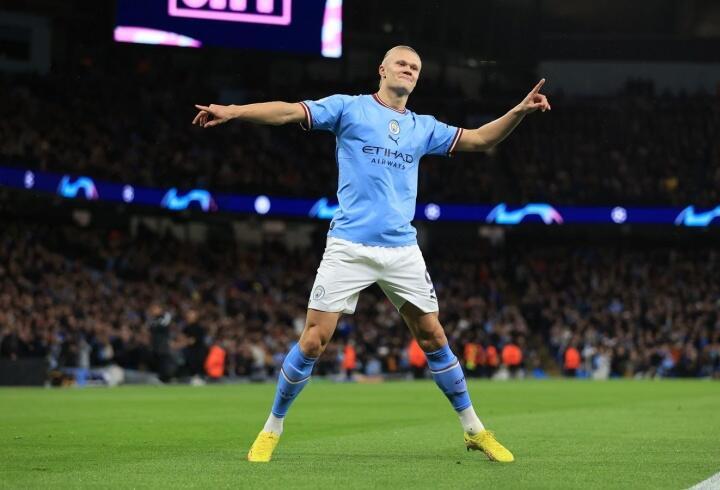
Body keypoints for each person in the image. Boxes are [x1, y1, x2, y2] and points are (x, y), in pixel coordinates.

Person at [192, 45, 550, 463]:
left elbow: (481, 139)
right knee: (313, 341)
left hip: (402, 249)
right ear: (382, 69)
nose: (408, 70)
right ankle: (272, 428)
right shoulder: (349, 108)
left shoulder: (423, 127)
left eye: (415, 67)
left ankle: (474, 430)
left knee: (434, 337)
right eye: (402, 63)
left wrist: (518, 111)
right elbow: (289, 112)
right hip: (349, 245)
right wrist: (235, 111)